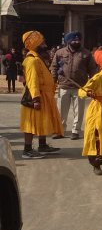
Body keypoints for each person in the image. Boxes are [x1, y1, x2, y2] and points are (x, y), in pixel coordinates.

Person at [20, 31, 64, 159]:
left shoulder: (38, 58)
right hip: (34, 96)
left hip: (44, 95)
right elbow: (32, 81)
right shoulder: (31, 61)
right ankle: (27, 150)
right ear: (35, 44)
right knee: (31, 123)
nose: (45, 44)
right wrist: (36, 99)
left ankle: (42, 145)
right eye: (42, 42)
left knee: (42, 121)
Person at [51, 31, 97, 140]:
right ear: (68, 41)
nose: (76, 42)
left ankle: (75, 131)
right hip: (64, 86)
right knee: (61, 111)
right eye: (74, 40)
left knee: (79, 111)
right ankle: (60, 131)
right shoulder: (60, 53)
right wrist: (54, 78)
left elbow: (93, 70)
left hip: (80, 87)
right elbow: (54, 66)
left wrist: (92, 84)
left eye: (78, 40)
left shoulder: (86, 54)